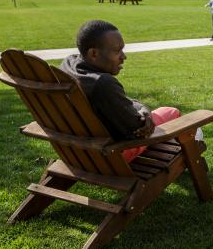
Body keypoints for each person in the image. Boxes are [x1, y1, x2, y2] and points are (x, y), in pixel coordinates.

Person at [59, 20, 202, 162]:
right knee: (171, 112)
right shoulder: (102, 84)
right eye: (117, 50)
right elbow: (139, 130)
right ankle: (190, 154)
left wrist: (141, 107)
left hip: (75, 154)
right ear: (94, 54)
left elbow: (120, 102)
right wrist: (146, 112)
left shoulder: (68, 65)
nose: (123, 56)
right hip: (110, 157)